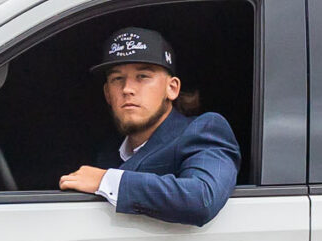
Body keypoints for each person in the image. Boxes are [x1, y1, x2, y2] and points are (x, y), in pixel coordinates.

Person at [57, 27, 238, 227]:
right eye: (117, 79)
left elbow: (202, 198)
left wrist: (105, 180)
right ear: (107, 93)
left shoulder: (203, 130)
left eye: (142, 76)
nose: (127, 89)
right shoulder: (108, 151)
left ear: (172, 88)